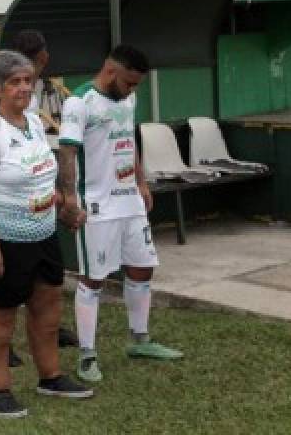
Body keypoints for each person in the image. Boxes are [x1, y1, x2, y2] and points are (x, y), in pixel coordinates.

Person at [0, 50, 92, 419]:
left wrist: (62, 205)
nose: (23, 88)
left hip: (42, 232)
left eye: (28, 81)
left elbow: (40, 175)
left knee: (47, 304)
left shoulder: (32, 121)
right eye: (15, 82)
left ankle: (50, 377)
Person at [58, 45, 183, 384]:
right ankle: (87, 355)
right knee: (93, 278)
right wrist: (70, 196)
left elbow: (128, 139)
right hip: (96, 206)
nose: (133, 90)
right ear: (111, 72)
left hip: (129, 201)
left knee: (143, 267)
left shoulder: (127, 99)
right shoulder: (79, 103)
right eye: (129, 83)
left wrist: (141, 183)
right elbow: (67, 151)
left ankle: (139, 340)